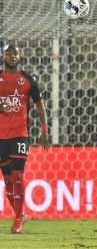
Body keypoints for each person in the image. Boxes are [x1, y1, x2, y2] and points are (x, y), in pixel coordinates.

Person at [0, 44, 50, 234]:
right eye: (8, 53)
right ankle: (20, 214)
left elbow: (39, 106)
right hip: (0, 136)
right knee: (7, 179)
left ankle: (18, 220)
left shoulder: (28, 80)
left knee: (18, 175)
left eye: (16, 53)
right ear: (3, 55)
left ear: (20, 56)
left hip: (20, 134)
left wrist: (44, 130)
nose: (12, 56)